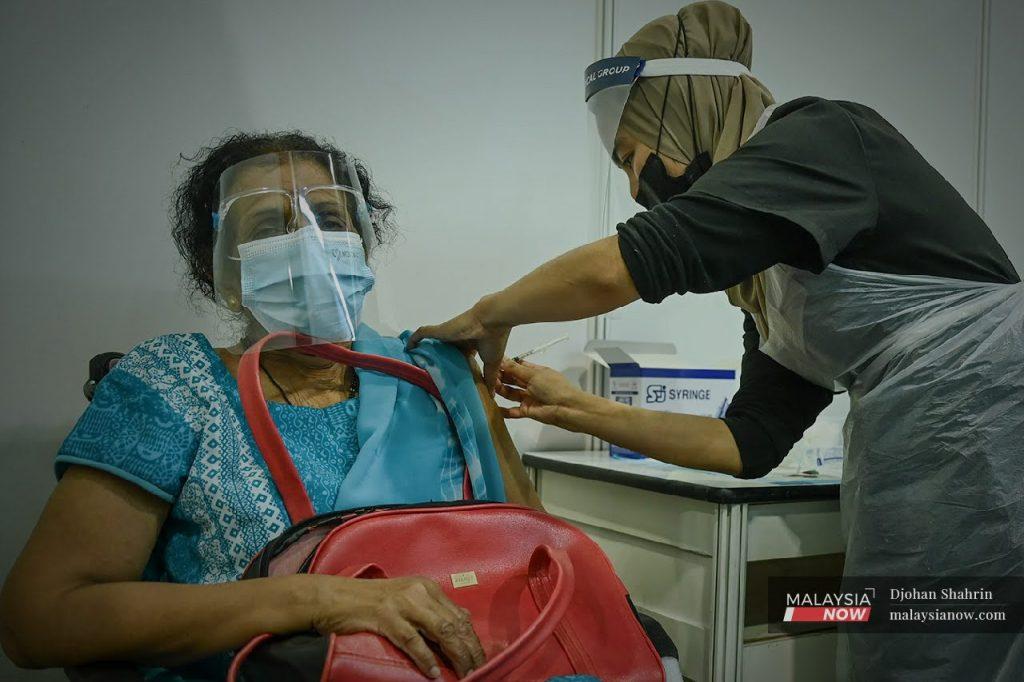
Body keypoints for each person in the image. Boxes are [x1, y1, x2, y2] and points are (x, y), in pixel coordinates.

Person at [408, 2, 1024, 680]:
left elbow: (635, 262)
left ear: (682, 110)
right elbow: (747, 444)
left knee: (930, 648)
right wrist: (577, 408)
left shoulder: (824, 137)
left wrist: (489, 314)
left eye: (628, 152)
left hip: (986, 417)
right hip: (923, 433)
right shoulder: (775, 281)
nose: (635, 181)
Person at [0, 132, 540, 681]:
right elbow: (39, 619)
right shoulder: (171, 384)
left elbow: (538, 556)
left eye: (330, 219)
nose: (310, 243)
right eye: (268, 228)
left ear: (363, 241)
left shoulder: (437, 377)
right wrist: (309, 601)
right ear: (215, 265)